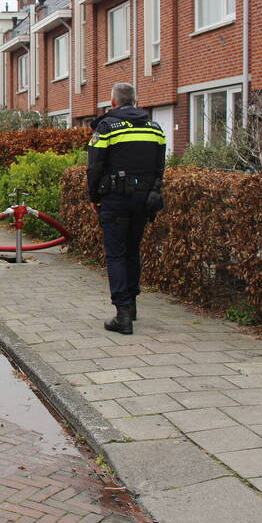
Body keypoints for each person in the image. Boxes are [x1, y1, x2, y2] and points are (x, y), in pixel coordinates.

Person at [87, 82, 166, 335]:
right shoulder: (155, 128)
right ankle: (131, 305)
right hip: (144, 199)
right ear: (135, 100)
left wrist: (93, 197)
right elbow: (160, 167)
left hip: (116, 199)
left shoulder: (107, 127)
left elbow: (94, 166)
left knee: (116, 254)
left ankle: (122, 316)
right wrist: (154, 191)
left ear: (113, 102)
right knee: (133, 250)